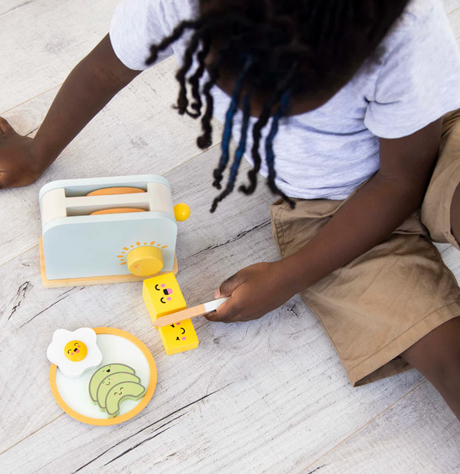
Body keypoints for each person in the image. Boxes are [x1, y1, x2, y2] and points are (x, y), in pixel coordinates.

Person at [1, 0, 460, 419]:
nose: (259, 114)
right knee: (449, 364)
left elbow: (400, 179)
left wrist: (291, 275)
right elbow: (106, 69)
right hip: (324, 213)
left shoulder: (407, 30)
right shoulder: (172, 5)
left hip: (433, 141)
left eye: (288, 103)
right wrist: (37, 152)